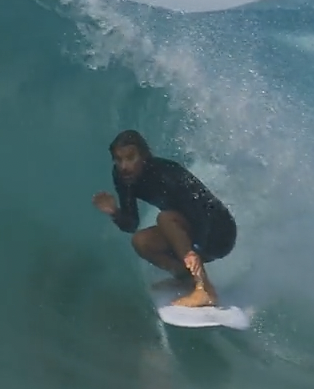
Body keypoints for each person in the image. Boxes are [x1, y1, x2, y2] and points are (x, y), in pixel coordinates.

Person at [92, 130, 236, 308]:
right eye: (119, 159)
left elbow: (204, 211)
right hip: (189, 230)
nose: (124, 166)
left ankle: (205, 289)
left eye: (130, 158)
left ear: (144, 156)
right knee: (141, 241)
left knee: (165, 218)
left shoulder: (167, 174)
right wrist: (114, 211)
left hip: (219, 231)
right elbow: (132, 224)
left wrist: (194, 250)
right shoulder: (124, 178)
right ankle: (185, 278)